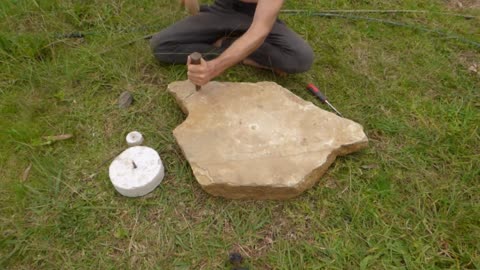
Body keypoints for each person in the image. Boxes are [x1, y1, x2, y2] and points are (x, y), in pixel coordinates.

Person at [150, 0, 314, 86]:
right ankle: (235, 50)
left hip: (258, 15)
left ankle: (228, 44)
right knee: (162, 45)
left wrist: (213, 68)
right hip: (222, 11)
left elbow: (260, 29)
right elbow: (193, 10)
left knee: (301, 57)